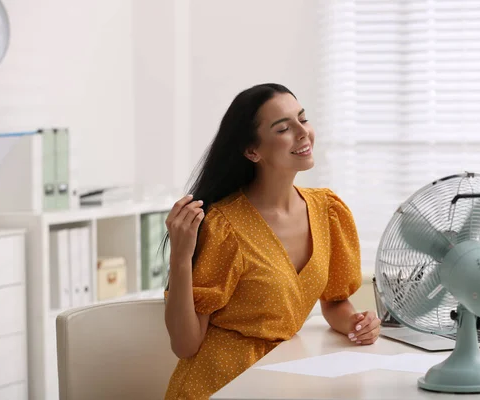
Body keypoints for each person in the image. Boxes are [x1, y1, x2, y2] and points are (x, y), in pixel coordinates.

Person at [162, 83, 381, 400]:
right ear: (253, 151)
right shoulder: (224, 226)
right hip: (219, 385)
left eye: (302, 119)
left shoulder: (328, 210)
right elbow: (185, 345)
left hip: (285, 378)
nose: (302, 133)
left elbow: (334, 301)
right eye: (283, 128)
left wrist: (356, 323)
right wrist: (180, 260)